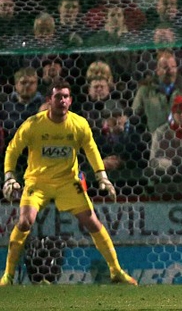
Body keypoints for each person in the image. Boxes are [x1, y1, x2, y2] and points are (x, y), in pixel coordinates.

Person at [1, 81, 137, 286]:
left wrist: (102, 177)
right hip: (38, 181)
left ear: (70, 100)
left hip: (67, 182)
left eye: (65, 96)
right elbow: (12, 149)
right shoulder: (34, 124)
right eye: (57, 96)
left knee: (92, 222)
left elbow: (91, 149)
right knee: (25, 221)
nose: (62, 100)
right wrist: (9, 177)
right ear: (49, 100)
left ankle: (116, 271)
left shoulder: (79, 124)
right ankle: (8, 276)